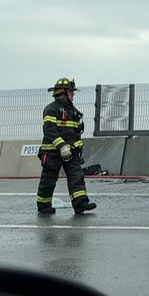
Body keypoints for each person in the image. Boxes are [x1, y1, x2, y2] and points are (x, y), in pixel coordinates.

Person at [36, 78, 96, 215]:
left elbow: (76, 133)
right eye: (70, 91)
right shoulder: (51, 109)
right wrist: (62, 146)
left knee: (76, 176)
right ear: (62, 92)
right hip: (52, 152)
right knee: (48, 179)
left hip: (71, 152)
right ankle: (44, 206)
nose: (73, 94)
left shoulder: (73, 111)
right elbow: (50, 131)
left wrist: (76, 147)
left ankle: (81, 204)